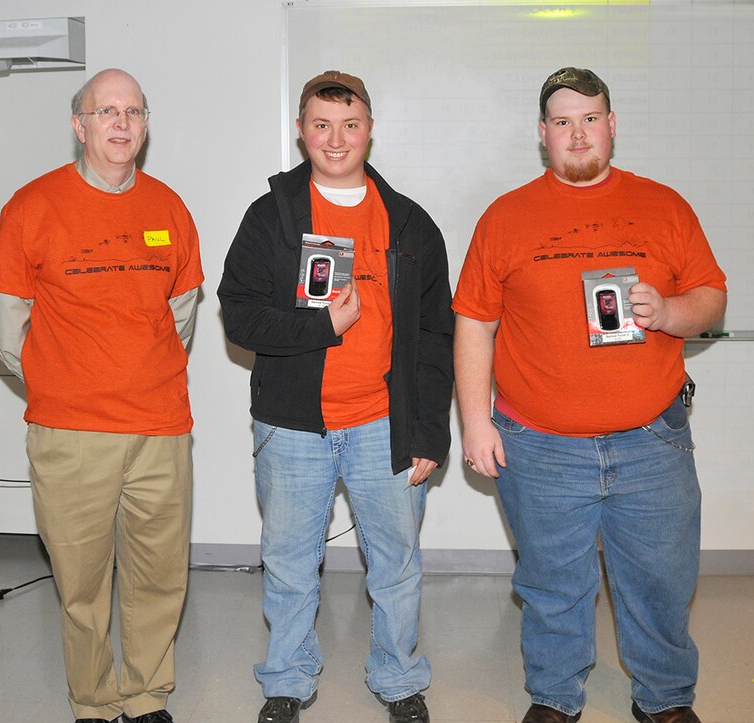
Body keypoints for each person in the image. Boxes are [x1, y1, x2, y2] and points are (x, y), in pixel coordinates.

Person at [453, 67, 727, 723]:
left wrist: (666, 310)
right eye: (563, 121)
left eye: (591, 117)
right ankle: (554, 694)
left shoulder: (665, 206)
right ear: (543, 134)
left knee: (661, 579)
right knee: (551, 583)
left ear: (611, 124)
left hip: (651, 442)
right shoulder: (506, 216)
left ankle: (664, 696)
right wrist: (474, 423)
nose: (578, 133)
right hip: (538, 444)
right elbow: (474, 324)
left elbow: (710, 300)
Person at [218, 70, 453, 723]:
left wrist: (431, 433)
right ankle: (287, 678)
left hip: (387, 423)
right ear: (302, 131)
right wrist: (323, 326)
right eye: (321, 125)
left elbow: (437, 337)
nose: (335, 138)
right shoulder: (273, 216)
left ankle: (400, 677)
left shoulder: (409, 223)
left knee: (397, 564)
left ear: (369, 130)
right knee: (290, 562)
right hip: (294, 427)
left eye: (349, 125)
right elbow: (239, 315)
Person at [0, 68, 203, 723]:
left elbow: (182, 313)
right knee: (81, 581)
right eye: (106, 111)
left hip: (161, 428)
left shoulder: (168, 208)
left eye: (132, 111)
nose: (120, 123)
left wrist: (142, 372)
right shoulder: (31, 207)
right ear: (80, 125)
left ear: (144, 124)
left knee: (158, 574)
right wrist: (60, 381)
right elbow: (5, 324)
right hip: (70, 431)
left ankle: (145, 695)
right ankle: (95, 702)